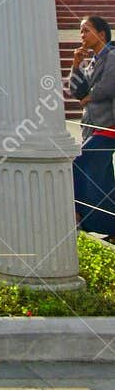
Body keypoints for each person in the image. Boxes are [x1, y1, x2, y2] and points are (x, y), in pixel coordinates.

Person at [68, 15, 115, 238]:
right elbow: (76, 91)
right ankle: (112, 227)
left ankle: (79, 216)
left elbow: (109, 85)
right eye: (81, 31)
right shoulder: (92, 62)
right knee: (104, 178)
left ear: (101, 34)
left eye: (86, 30)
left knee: (79, 163)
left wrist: (90, 97)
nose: (82, 35)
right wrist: (76, 64)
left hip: (109, 126)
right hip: (92, 126)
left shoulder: (112, 56)